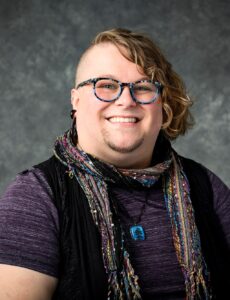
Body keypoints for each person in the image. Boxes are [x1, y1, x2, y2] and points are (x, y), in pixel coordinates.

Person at [0, 28, 229, 300]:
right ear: (75, 100)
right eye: (106, 85)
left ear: (162, 103)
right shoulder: (36, 197)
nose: (126, 100)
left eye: (143, 87)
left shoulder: (205, 186)